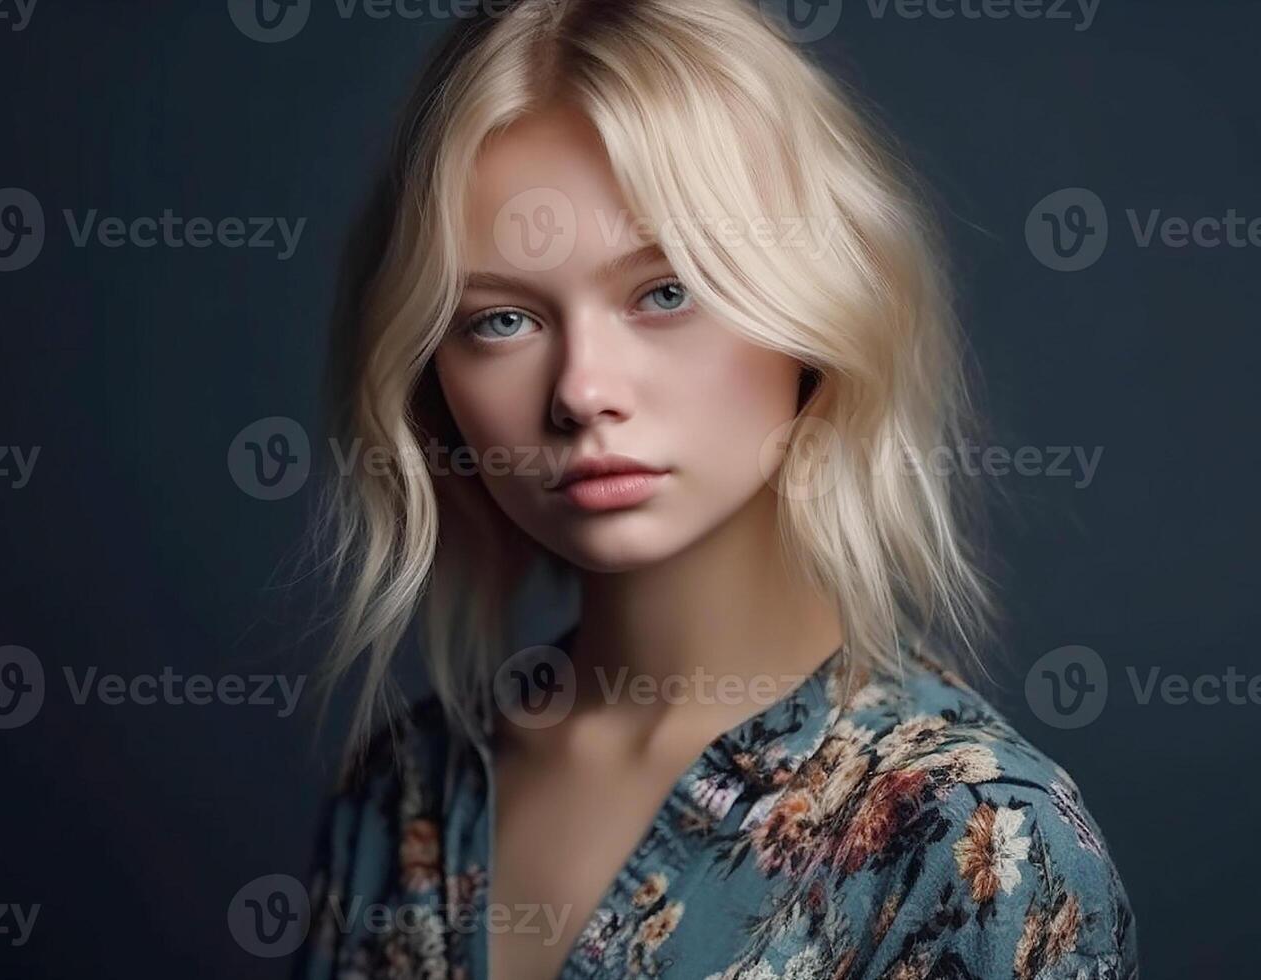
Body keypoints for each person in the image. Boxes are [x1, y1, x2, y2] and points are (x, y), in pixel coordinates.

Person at [296, 1, 1137, 977]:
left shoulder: (974, 843)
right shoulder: (404, 794)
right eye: (502, 320)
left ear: (812, 313)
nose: (581, 390)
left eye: (667, 290)